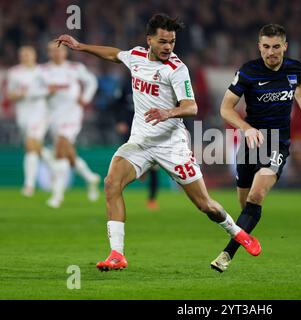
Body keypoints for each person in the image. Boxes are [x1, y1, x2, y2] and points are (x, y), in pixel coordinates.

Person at [55, 13, 261, 272]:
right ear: (149, 39)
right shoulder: (137, 57)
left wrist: (168, 112)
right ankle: (117, 254)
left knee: (205, 205)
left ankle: (238, 232)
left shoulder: (176, 69)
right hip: (140, 142)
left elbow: (192, 106)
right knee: (111, 184)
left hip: (171, 145)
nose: (168, 47)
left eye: (172, 42)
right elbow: (114, 54)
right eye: (163, 41)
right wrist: (81, 46)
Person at [210, 24, 301, 273]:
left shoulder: (294, 68)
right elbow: (225, 109)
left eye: (276, 47)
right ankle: (244, 233)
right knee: (245, 204)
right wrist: (246, 129)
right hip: (251, 142)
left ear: (284, 47)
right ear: (259, 47)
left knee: (256, 196)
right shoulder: (248, 72)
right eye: (266, 47)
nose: (271, 52)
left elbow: (299, 85)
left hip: (277, 142)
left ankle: (226, 255)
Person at [41, 41, 101, 208]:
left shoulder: (75, 68)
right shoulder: (43, 71)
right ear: (48, 53)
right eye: (53, 51)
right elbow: (36, 90)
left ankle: (57, 195)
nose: (56, 53)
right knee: (67, 153)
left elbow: (91, 82)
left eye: (59, 50)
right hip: (53, 116)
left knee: (60, 148)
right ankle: (90, 178)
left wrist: (86, 98)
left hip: (72, 114)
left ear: (65, 52)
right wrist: (46, 91)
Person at [6, 46, 55, 197]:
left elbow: (52, 90)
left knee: (31, 145)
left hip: (40, 113)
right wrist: (21, 94)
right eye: (23, 54)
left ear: (34, 56)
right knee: (34, 147)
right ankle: (56, 168)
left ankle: (29, 185)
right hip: (23, 114)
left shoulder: (43, 71)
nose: (25, 56)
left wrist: (35, 93)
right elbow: (10, 95)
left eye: (28, 54)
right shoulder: (14, 73)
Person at [113, 75, 160, 210]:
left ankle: (152, 199)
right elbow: (116, 104)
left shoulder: (154, 82)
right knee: (125, 161)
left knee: (154, 166)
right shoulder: (126, 83)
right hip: (129, 128)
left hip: (149, 127)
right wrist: (119, 121)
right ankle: (118, 193)